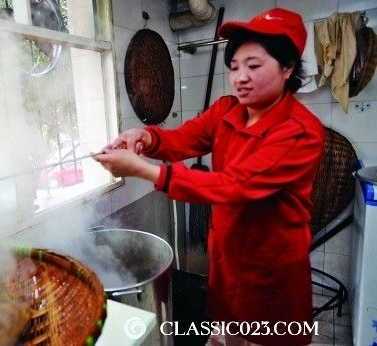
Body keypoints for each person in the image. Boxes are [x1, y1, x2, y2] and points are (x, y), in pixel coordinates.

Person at [95, 8, 324, 346]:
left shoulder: (301, 132)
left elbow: (234, 186)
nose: (240, 77)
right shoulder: (226, 110)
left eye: (254, 66)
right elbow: (182, 139)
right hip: (227, 267)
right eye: (234, 67)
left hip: (271, 279)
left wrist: (141, 169)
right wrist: (146, 137)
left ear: (288, 68)